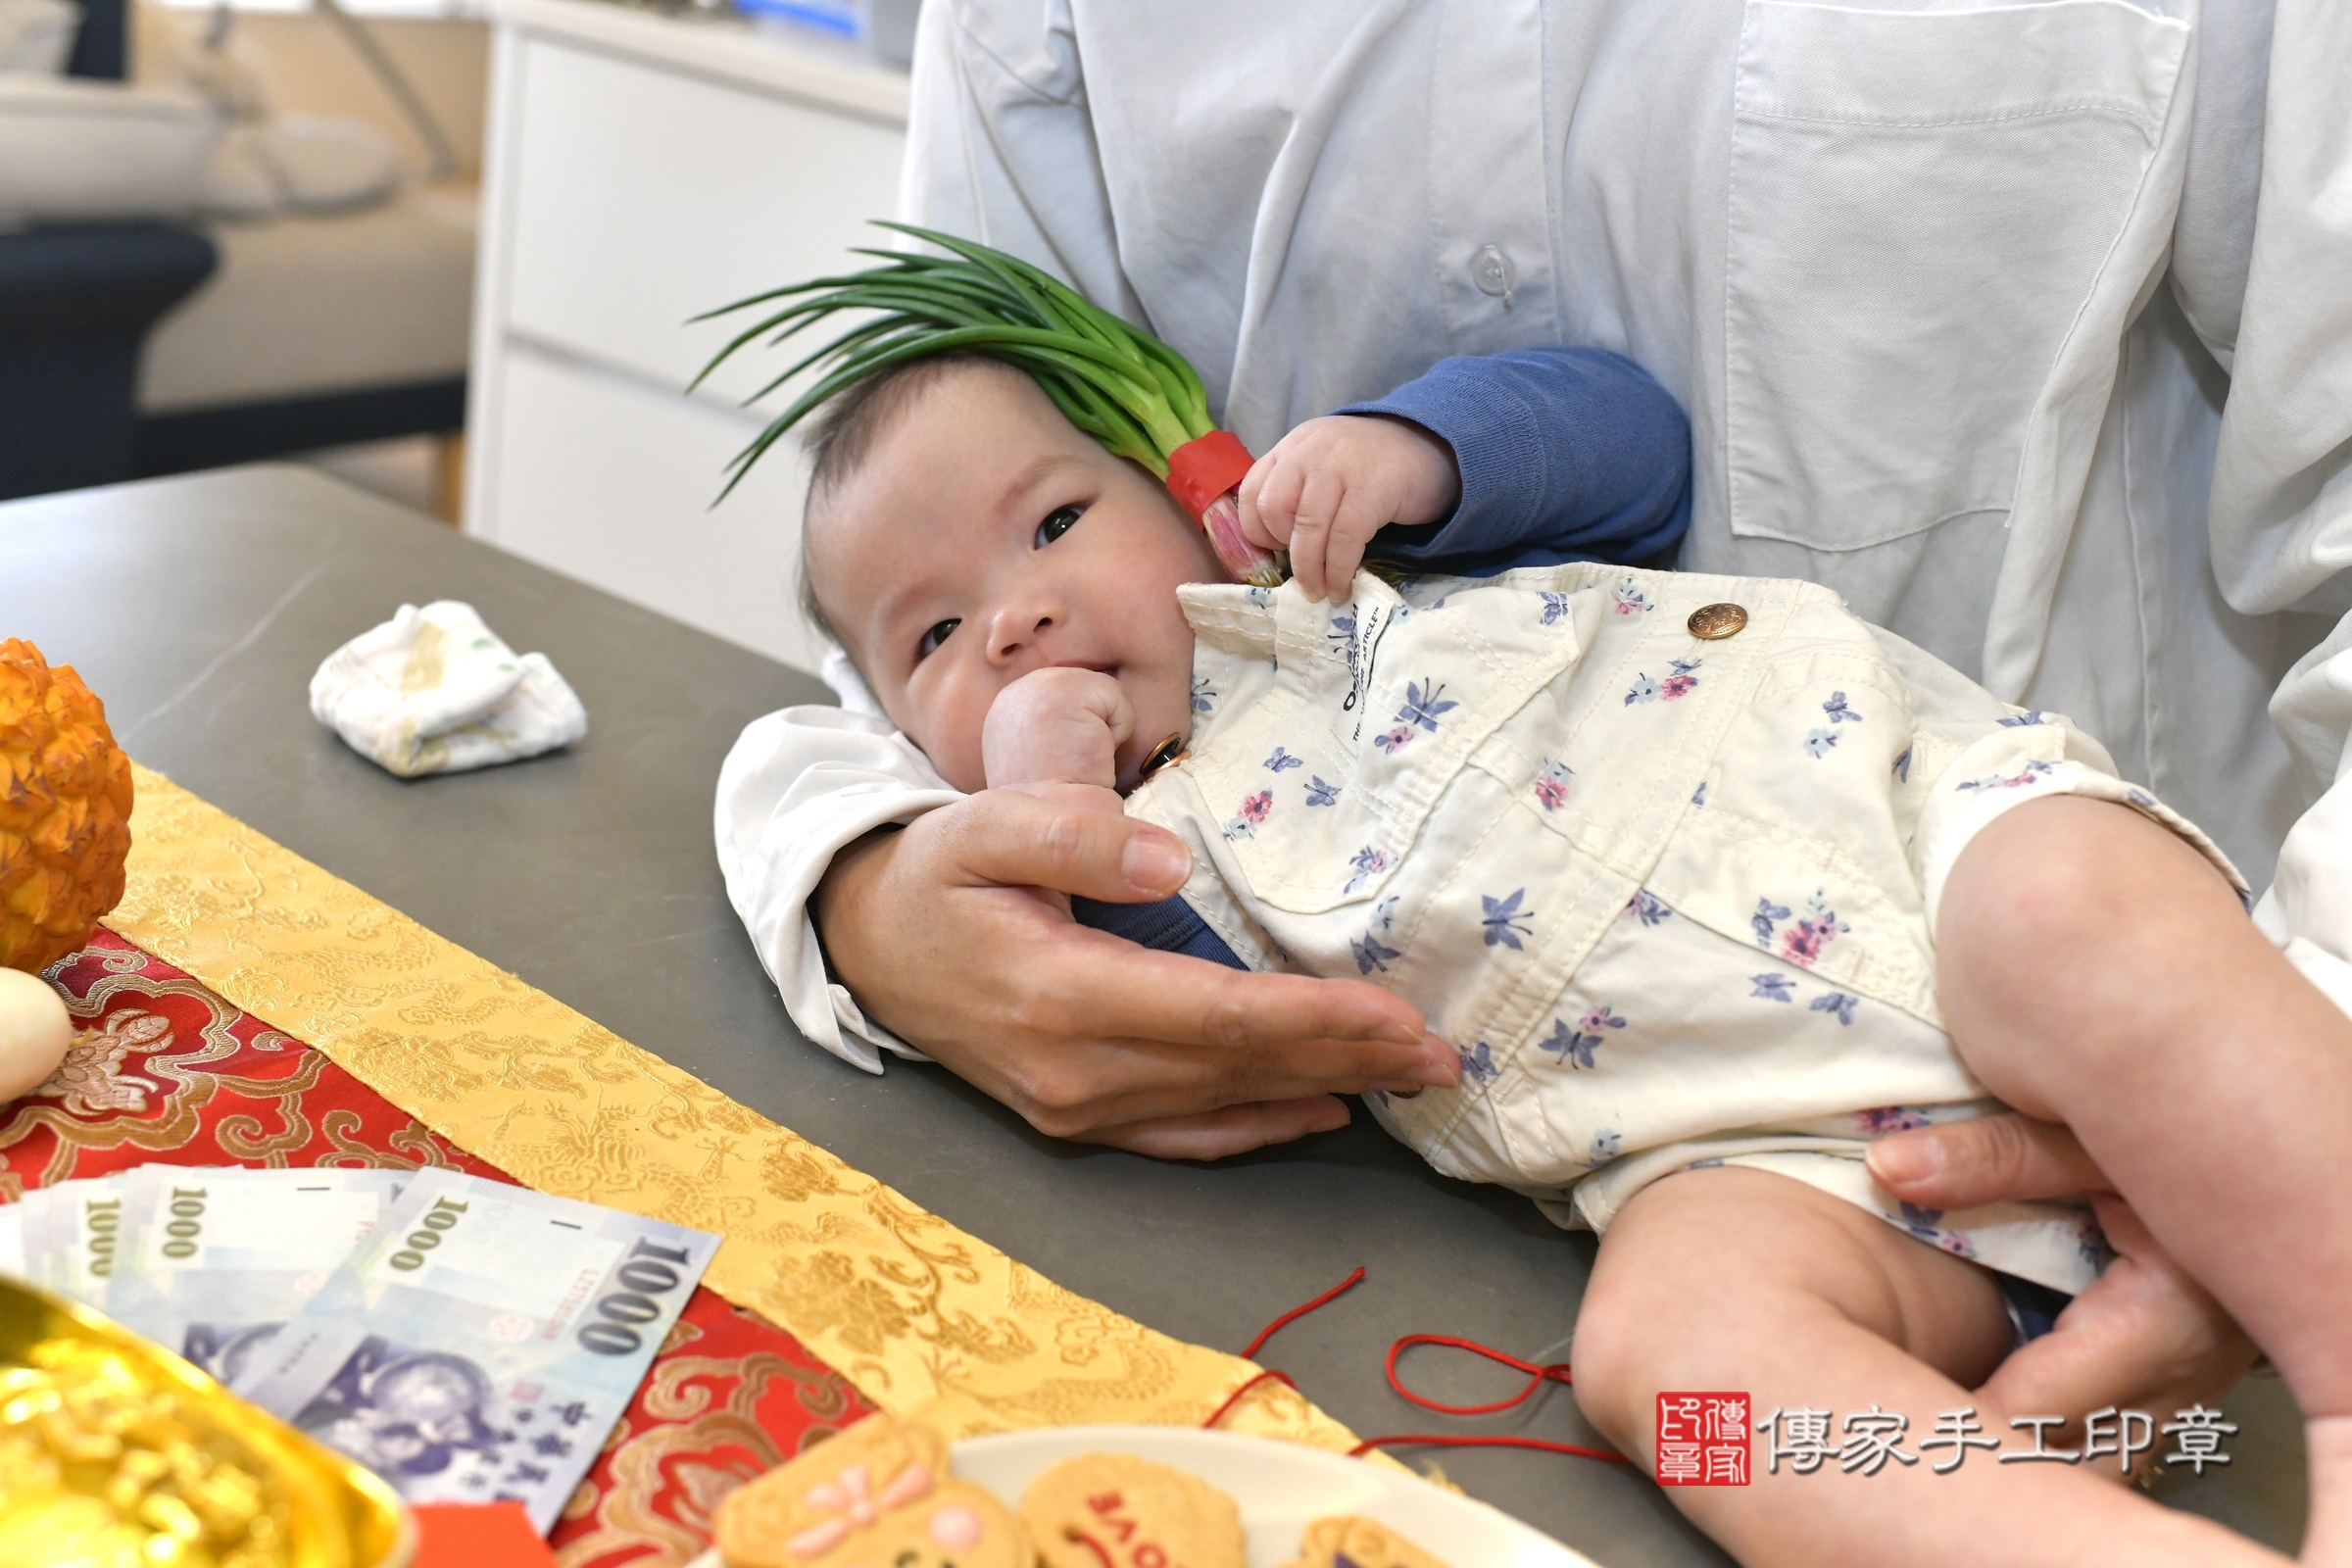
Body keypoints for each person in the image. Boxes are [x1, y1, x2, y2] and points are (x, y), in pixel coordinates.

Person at [788, 341, 2332, 1565]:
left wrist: (1418, 451)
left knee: (2077, 924)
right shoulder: (1162, 875)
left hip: (1921, 834)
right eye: (932, 638)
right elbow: (1185, 1016)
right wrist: (1055, 806)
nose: (1016, 618)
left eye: (1055, 524)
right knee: (1672, 1369)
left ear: (1187, 495)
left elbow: (1631, 441)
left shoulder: (1355, 582)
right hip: (1768, 1159)